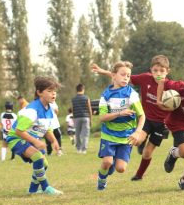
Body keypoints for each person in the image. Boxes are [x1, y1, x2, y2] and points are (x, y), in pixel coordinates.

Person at [92, 55, 171, 181]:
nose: (158, 74)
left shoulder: (170, 86)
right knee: (136, 140)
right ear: (151, 70)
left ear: (167, 72)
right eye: (155, 70)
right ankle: (136, 145)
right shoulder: (145, 78)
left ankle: (139, 175)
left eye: (162, 71)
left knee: (147, 153)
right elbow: (122, 76)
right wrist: (103, 71)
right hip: (147, 119)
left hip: (161, 123)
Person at [6, 77, 63, 195]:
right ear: (39, 92)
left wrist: (53, 141)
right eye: (49, 91)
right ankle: (46, 187)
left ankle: (33, 190)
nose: (53, 94)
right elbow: (19, 131)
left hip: (28, 139)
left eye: (55, 91)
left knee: (44, 164)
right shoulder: (32, 110)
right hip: (16, 138)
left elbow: (47, 129)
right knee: (38, 157)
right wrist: (36, 142)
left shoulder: (49, 109)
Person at [96, 61, 145, 191]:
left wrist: (137, 132)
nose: (126, 78)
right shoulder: (106, 95)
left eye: (128, 76)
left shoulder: (131, 94)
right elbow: (102, 118)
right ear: (113, 75)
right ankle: (101, 180)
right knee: (106, 162)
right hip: (109, 134)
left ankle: (109, 168)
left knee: (121, 169)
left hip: (126, 136)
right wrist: (119, 113)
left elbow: (142, 116)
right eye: (123, 74)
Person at [71, 84, 93, 154]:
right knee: (85, 134)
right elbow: (89, 109)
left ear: (76, 90)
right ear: (83, 89)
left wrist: (74, 119)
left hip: (77, 117)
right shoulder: (86, 98)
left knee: (77, 134)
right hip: (86, 117)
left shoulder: (73, 99)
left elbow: (73, 109)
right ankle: (84, 150)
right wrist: (91, 119)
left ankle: (78, 149)